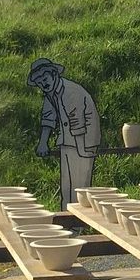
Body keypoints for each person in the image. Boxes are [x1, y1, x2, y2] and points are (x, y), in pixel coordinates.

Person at [27, 58, 100, 209]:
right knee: (67, 185)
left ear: (53, 74)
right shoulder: (50, 94)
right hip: (67, 140)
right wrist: (42, 143)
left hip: (84, 140)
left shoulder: (70, 91)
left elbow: (77, 120)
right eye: (39, 82)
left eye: (45, 79)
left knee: (80, 186)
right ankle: (67, 219)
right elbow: (48, 118)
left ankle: (79, 225)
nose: (43, 84)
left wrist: (81, 149)